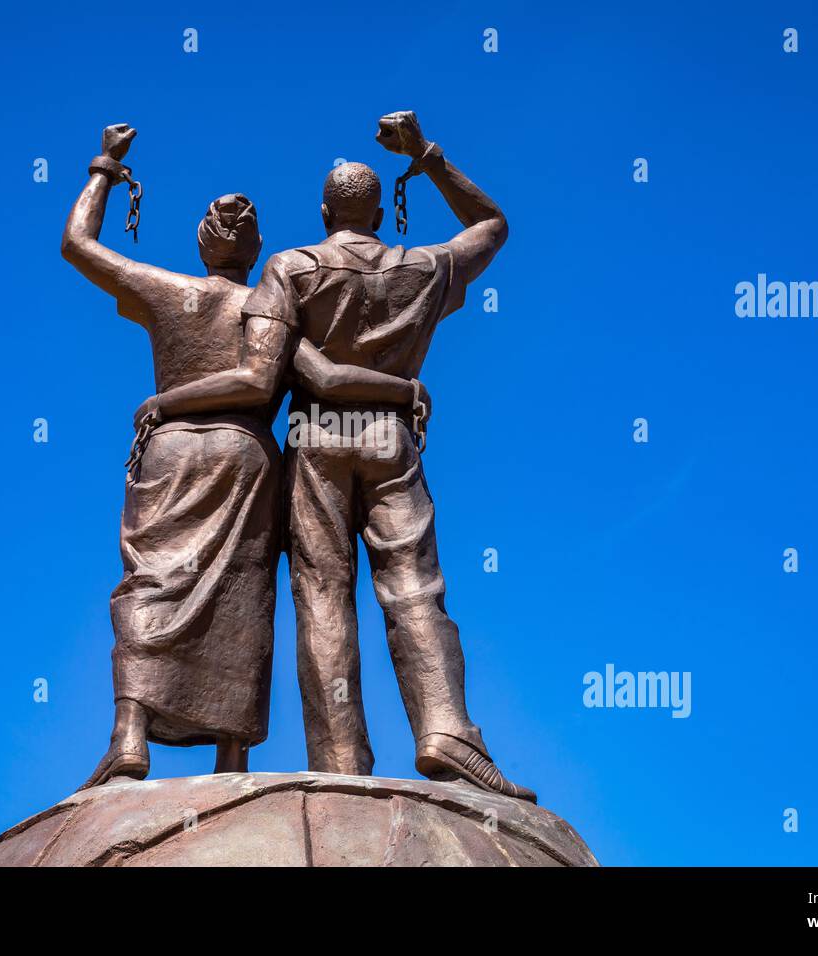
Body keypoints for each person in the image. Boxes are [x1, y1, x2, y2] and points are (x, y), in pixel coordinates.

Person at [150, 112, 535, 801]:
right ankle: (446, 731)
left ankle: (340, 758)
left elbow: (284, 374)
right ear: (383, 211)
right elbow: (494, 226)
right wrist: (426, 154)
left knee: (323, 593)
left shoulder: (291, 268)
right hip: (393, 439)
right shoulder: (423, 268)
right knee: (415, 583)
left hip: (317, 438)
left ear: (325, 212)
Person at [62, 123, 425, 787]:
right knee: (245, 592)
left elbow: (77, 245)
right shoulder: (276, 308)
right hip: (249, 457)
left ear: (204, 243)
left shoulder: (168, 291)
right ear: (256, 249)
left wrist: (105, 169)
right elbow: (325, 382)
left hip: (173, 452)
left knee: (153, 580)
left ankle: (129, 735)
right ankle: (233, 755)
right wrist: (406, 390)